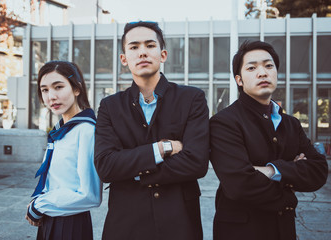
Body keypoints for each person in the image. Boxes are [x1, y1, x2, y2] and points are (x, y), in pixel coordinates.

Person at [94, 21, 209, 240]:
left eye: (150, 45)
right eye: (134, 47)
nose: (143, 52)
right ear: (124, 59)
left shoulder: (192, 99)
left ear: (163, 54)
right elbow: (106, 166)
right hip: (126, 223)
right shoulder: (109, 106)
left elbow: (197, 162)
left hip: (179, 221)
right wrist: (162, 148)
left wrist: (134, 171)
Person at [209, 40, 328, 240]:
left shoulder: (291, 124)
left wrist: (272, 170)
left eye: (268, 65)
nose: (262, 72)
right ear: (239, 80)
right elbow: (240, 184)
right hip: (241, 232)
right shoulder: (224, 122)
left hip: (284, 230)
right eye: (252, 67)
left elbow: (318, 171)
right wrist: (290, 185)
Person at [25, 61, 102, 240]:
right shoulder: (60, 129)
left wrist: (39, 205)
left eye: (58, 87)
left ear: (77, 89)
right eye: (44, 90)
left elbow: (89, 194)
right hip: (50, 218)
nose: (51, 96)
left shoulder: (86, 131)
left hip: (70, 224)